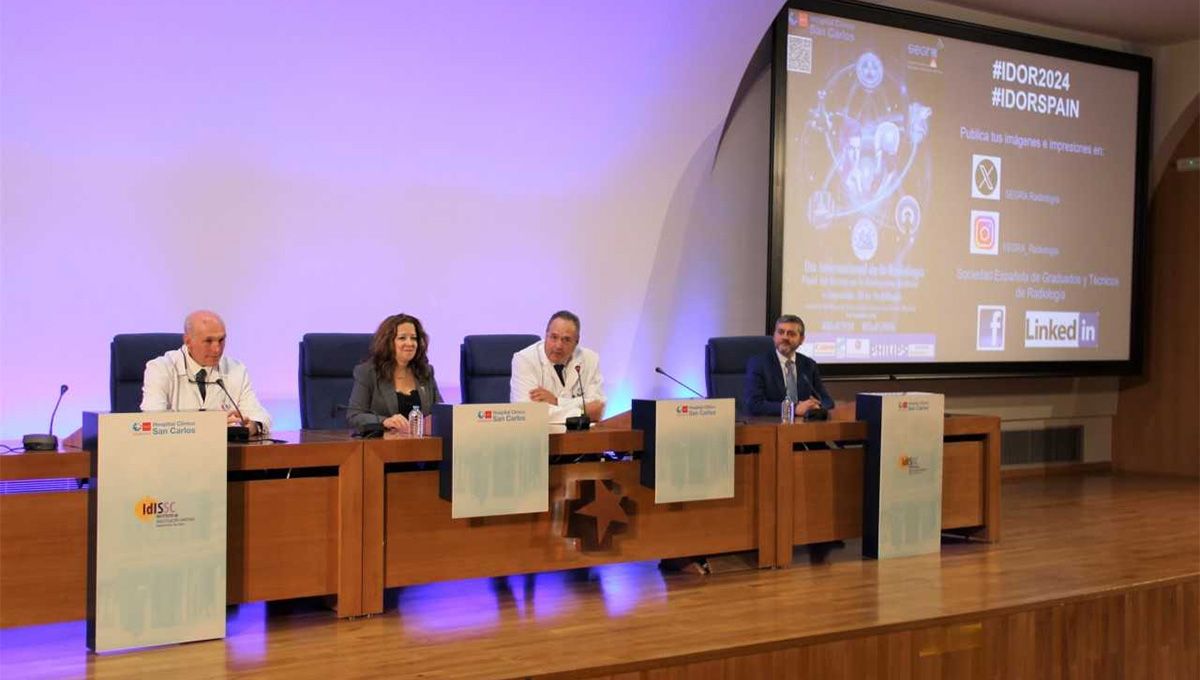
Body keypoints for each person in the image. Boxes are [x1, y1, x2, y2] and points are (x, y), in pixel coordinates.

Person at [141, 310, 272, 435]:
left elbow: (261, 416)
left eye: (221, 340)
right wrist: (210, 426)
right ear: (188, 341)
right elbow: (154, 423)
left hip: (225, 453)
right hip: (173, 453)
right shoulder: (160, 368)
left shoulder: (236, 369)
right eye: (208, 341)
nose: (217, 349)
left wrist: (253, 426)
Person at [347, 313, 442, 433]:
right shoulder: (368, 372)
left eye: (414, 338)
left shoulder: (425, 371)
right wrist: (385, 421)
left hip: (422, 445)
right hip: (384, 445)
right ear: (388, 342)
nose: (410, 343)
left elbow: (440, 411)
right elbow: (354, 416)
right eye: (402, 338)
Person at [510, 310, 605, 423]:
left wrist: (557, 401)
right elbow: (529, 413)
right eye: (554, 337)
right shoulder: (525, 359)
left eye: (566, 339)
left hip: (580, 435)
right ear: (546, 335)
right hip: (540, 436)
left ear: (577, 341)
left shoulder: (590, 359)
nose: (558, 345)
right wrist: (582, 414)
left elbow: (598, 406)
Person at [744, 314, 835, 419]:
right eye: (781, 332)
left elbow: (827, 401)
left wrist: (816, 406)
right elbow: (754, 404)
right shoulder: (758, 364)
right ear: (774, 336)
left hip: (803, 425)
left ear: (801, 339)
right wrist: (793, 409)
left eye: (791, 334)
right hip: (773, 425)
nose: (785, 337)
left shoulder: (809, 364)